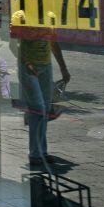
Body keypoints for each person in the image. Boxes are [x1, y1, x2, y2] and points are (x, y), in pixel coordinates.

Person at [13, 34, 70, 170]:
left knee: (44, 109)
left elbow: (54, 43)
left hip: (46, 66)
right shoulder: (22, 16)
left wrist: (63, 68)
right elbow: (15, 45)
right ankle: (35, 154)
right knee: (38, 109)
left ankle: (42, 152)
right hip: (28, 67)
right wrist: (27, 63)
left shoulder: (49, 17)